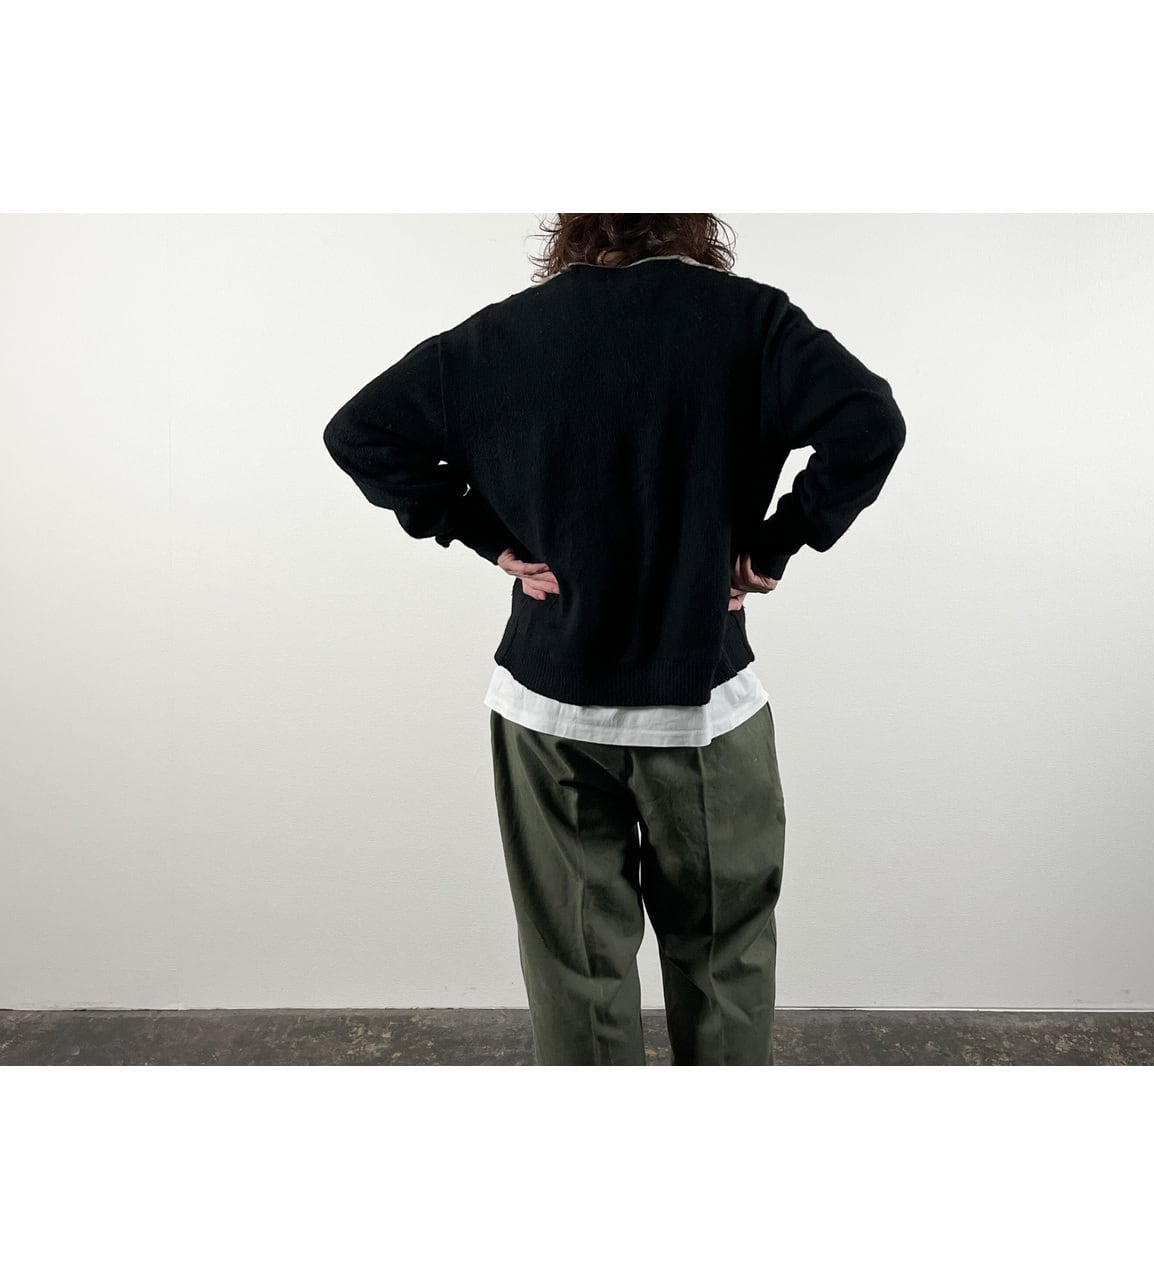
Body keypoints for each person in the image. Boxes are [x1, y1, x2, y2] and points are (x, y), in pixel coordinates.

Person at [322, 213, 907, 1066]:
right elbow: (871, 421)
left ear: (573, 227)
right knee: (723, 959)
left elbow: (359, 431)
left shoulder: (502, 336)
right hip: (701, 707)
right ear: (693, 225)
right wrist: (776, 545)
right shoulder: (752, 321)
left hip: (547, 711)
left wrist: (482, 534)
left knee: (576, 968)